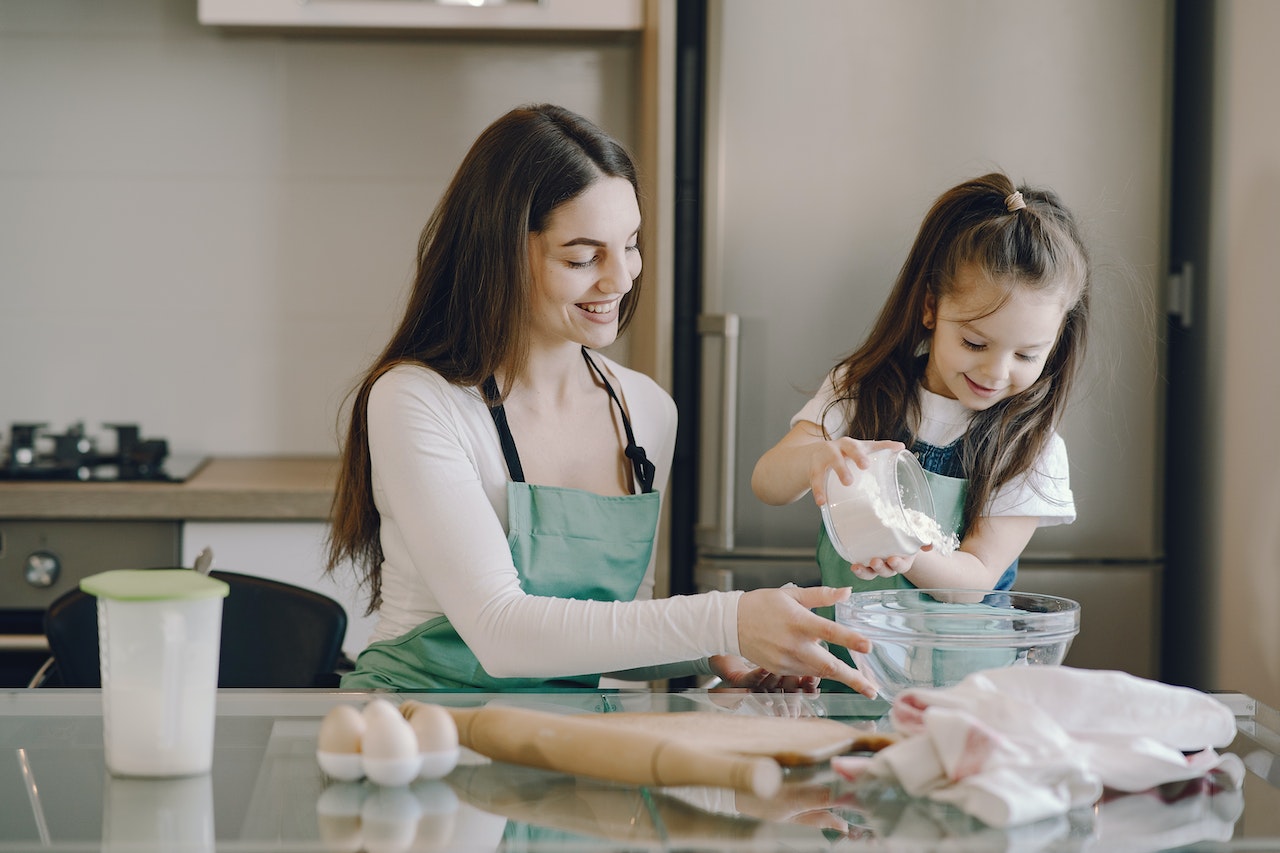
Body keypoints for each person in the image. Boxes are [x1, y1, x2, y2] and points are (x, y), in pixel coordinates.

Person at [326, 103, 877, 696]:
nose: (620, 279)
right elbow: (501, 631)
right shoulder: (417, 400)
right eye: (583, 257)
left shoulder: (645, 412)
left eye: (631, 245)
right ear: (502, 252)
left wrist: (722, 647)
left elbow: (608, 631)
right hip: (416, 735)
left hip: (559, 744)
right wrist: (728, 618)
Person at [751, 172, 1089, 665]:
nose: (996, 372)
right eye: (975, 343)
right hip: (850, 671)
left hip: (963, 685)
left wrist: (909, 553)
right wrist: (814, 460)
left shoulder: (1030, 447)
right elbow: (767, 483)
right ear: (932, 308)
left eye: (1027, 354)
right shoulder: (861, 390)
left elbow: (973, 582)